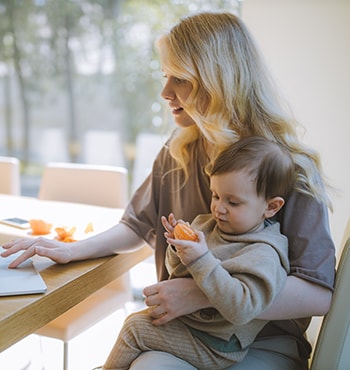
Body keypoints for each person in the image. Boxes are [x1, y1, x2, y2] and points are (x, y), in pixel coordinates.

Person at [1, 12, 335, 369]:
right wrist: (72, 250)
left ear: (218, 81)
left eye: (180, 79)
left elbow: (318, 294)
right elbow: (137, 225)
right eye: (165, 76)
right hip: (189, 329)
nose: (165, 93)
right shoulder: (179, 150)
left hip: (261, 342)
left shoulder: (288, 168)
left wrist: (202, 293)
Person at [102, 136, 293, 370]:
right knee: (137, 322)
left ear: (271, 207)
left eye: (233, 202)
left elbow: (242, 309)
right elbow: (179, 273)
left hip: (217, 345)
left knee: (135, 330)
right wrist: (179, 248)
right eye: (216, 196)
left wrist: (201, 259)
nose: (218, 208)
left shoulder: (264, 253)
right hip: (192, 327)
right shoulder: (208, 224)